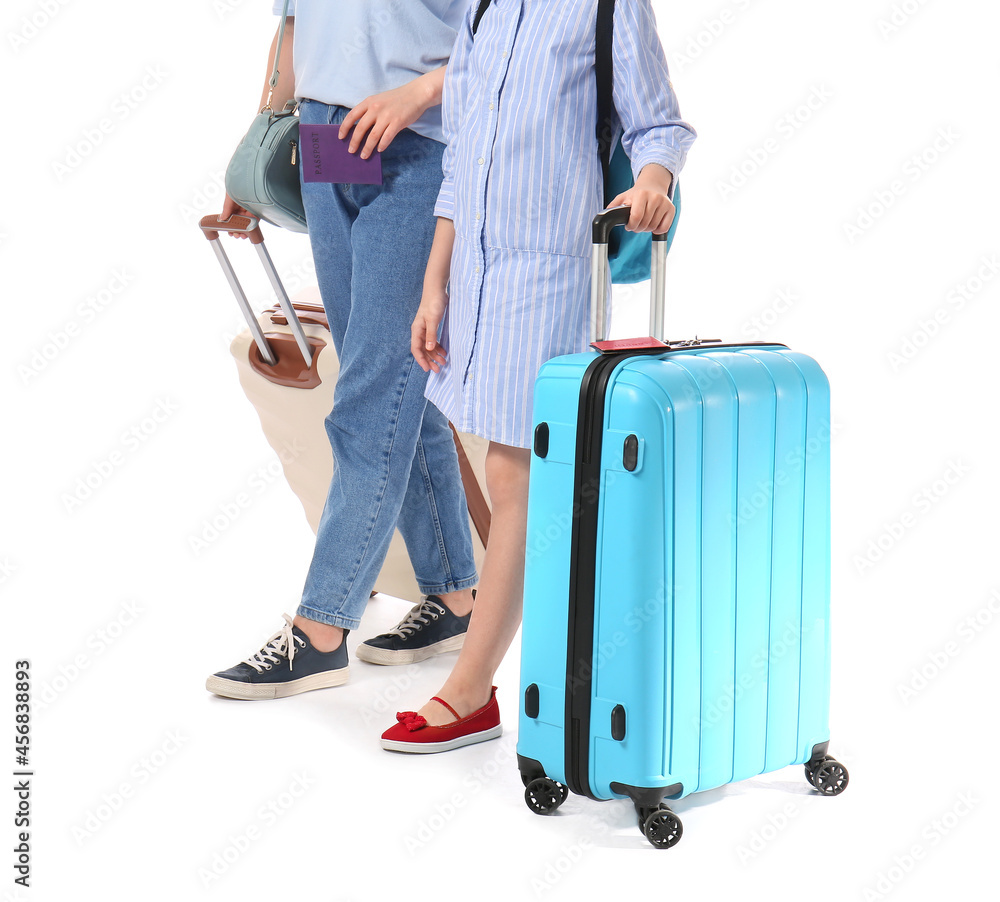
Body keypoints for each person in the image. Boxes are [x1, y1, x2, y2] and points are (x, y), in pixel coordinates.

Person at [378, 0, 696, 751]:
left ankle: (471, 691)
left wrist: (651, 183)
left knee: (515, 471)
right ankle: (534, 652)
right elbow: (459, 163)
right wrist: (434, 285)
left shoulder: (607, 7)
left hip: (552, 270)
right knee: (501, 469)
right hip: (476, 276)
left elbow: (660, 128)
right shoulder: (483, 11)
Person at [207, 1, 482, 701]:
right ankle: (455, 597)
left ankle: (322, 629)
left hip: (421, 147)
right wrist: (255, 159)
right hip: (324, 139)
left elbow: (512, 48)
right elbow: (294, 30)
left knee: (368, 397)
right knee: (395, 390)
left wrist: (422, 89)